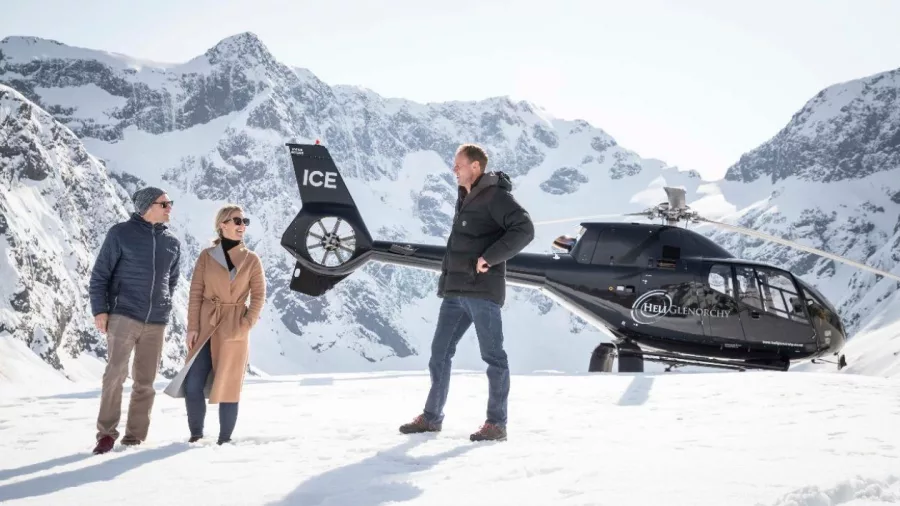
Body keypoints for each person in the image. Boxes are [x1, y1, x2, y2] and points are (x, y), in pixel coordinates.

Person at [399, 143, 534, 442]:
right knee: (439, 354)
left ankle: (496, 424)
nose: (454, 169)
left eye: (458, 164)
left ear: (476, 166)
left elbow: (524, 229)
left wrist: (490, 257)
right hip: (455, 291)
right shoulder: (467, 196)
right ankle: (432, 418)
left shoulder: (496, 196)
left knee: (493, 357)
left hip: (482, 292)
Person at [163, 204, 266, 445]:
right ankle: (196, 434)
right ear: (223, 224)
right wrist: (192, 327)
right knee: (193, 382)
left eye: (244, 222)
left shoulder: (252, 260)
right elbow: (195, 293)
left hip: (234, 325)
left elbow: (259, 296)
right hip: (206, 323)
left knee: (229, 385)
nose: (242, 226)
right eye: (237, 221)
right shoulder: (206, 256)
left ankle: (224, 440)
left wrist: (245, 325)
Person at [89, 186, 182, 454]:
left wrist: (163, 305)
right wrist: (101, 310)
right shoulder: (120, 234)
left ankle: (135, 438)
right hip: (123, 315)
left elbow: (171, 281)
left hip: (156, 320)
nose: (169, 208)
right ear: (147, 206)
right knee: (115, 374)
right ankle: (106, 434)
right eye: (164, 203)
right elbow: (100, 276)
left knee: (146, 381)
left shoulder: (172, 243)